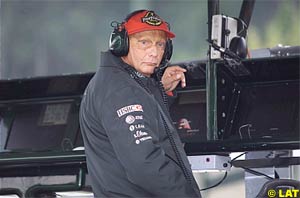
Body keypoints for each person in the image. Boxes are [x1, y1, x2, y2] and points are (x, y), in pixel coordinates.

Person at [79, 9, 201, 197]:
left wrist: (159, 88)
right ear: (122, 44)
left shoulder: (120, 82)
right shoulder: (121, 91)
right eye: (144, 43)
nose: (154, 52)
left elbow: (145, 116)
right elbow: (144, 164)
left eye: (160, 44)